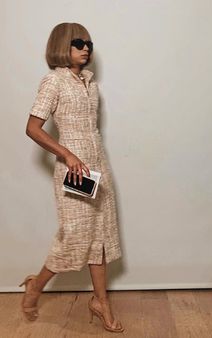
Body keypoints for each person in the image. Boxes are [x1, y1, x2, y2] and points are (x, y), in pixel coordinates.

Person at [19, 22, 124, 333]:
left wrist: (94, 161)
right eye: (79, 43)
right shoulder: (53, 81)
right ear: (63, 45)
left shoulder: (90, 83)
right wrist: (66, 154)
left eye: (88, 43)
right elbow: (33, 128)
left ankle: (100, 301)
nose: (86, 48)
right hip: (73, 167)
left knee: (101, 235)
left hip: (98, 164)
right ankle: (35, 286)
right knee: (74, 235)